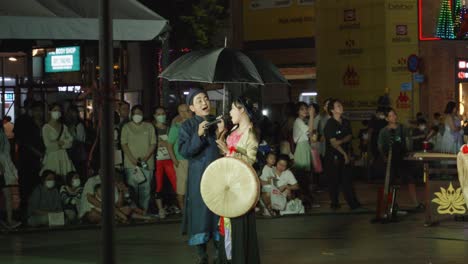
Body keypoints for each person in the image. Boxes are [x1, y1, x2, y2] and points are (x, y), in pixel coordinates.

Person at [215, 96, 261, 264]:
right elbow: (226, 155)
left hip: (242, 188)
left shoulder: (251, 133)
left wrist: (229, 150)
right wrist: (221, 134)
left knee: (239, 225)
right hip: (228, 184)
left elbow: (250, 162)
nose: (230, 112)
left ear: (242, 110)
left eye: (233, 108)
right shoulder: (233, 130)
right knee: (227, 225)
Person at [178, 88, 222, 264]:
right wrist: (198, 134)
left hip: (218, 174)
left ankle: (220, 252)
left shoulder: (217, 122)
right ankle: (201, 254)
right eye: (199, 100)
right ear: (192, 108)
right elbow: (184, 151)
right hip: (199, 175)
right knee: (200, 211)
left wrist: (221, 132)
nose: (204, 103)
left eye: (206, 99)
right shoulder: (187, 126)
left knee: (218, 210)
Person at [378, 108, 423, 210]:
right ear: (386, 118)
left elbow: (408, 141)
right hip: (390, 160)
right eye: (390, 116)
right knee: (390, 183)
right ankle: (391, 205)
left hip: (403, 159)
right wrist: (385, 158)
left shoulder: (402, 128)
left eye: (394, 114)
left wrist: (409, 153)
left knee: (410, 180)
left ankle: (416, 204)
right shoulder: (383, 132)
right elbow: (380, 146)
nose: (393, 117)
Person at [324, 99, 361, 210]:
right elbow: (333, 143)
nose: (341, 107)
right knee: (334, 181)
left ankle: (353, 203)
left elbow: (349, 136)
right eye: (338, 106)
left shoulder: (345, 122)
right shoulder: (330, 124)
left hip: (345, 154)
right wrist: (344, 154)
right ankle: (334, 203)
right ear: (332, 110)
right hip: (333, 156)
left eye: (341, 105)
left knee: (347, 180)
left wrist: (341, 141)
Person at [121, 105, 157, 213]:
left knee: (146, 189)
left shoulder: (149, 126)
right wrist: (132, 159)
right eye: (135, 113)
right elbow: (124, 144)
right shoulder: (126, 127)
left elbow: (153, 143)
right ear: (132, 115)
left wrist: (145, 158)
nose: (137, 116)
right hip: (131, 163)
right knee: (133, 190)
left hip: (147, 163)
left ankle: (144, 211)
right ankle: (134, 212)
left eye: (140, 113)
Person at [14, 101, 45, 215]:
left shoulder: (44, 124)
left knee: (38, 184)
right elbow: (24, 142)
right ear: (31, 111)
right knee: (26, 185)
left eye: (41, 110)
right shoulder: (25, 123)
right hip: (27, 160)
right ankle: (25, 211)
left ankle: (36, 209)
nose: (39, 113)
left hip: (41, 160)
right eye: (36, 110)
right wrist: (38, 153)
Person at [152, 106, 178, 218]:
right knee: (158, 185)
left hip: (169, 159)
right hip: (157, 160)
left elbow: (172, 143)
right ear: (154, 116)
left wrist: (164, 143)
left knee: (176, 183)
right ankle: (160, 209)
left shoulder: (169, 128)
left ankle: (178, 205)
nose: (161, 116)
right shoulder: (151, 128)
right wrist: (164, 143)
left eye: (163, 113)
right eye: (158, 114)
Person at [168, 104, 192, 211]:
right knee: (182, 185)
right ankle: (182, 208)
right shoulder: (176, 127)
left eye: (186, 111)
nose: (184, 113)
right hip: (181, 159)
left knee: (192, 184)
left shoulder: (195, 125)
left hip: (194, 159)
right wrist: (174, 159)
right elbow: (169, 145)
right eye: (181, 111)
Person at [41, 103, 75, 179]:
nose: (57, 112)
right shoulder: (46, 128)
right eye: (55, 110)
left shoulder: (64, 127)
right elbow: (48, 145)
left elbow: (70, 142)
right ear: (50, 111)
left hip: (64, 157)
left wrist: (59, 144)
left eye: (59, 110)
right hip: (52, 158)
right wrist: (62, 143)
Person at [0, 121, 21, 229]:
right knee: (7, 195)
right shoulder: (1, 134)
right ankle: (9, 220)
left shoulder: (2, 134)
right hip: (3, 168)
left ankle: (8, 220)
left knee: (7, 195)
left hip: (4, 168)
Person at [64, 105, 87, 177]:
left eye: (73, 113)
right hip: (70, 155)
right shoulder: (66, 125)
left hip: (78, 155)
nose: (71, 115)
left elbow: (81, 140)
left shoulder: (79, 125)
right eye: (69, 113)